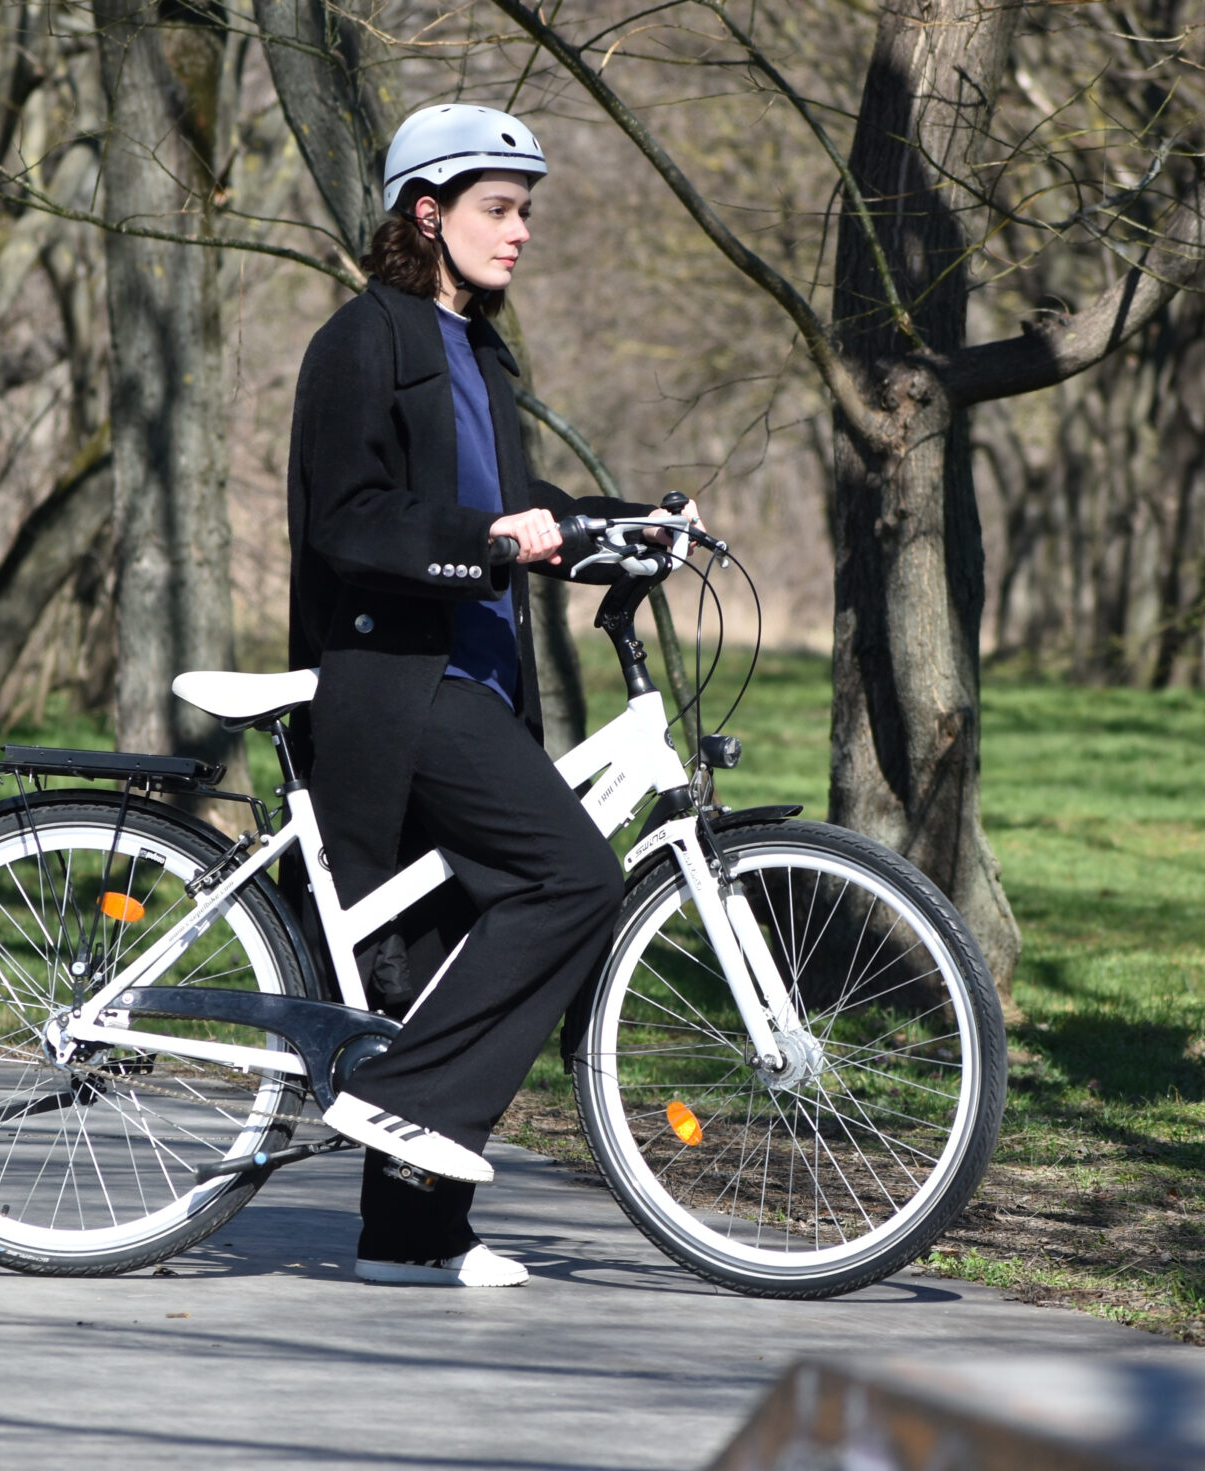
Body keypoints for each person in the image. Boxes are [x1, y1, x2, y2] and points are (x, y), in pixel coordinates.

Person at [284, 104, 700, 1287]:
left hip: (472, 683)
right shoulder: (364, 340)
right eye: (498, 209)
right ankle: (405, 1101)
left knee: (437, 955)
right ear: (429, 212)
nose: (521, 233)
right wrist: (490, 541)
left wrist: (629, 529)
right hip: (394, 684)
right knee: (572, 878)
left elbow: (524, 509)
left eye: (526, 212)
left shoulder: (476, 353)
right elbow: (350, 523)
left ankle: (409, 1238)